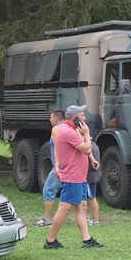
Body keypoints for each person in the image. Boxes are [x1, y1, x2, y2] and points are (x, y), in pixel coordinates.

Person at [44, 105, 103, 249]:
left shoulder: (71, 130)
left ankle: (87, 240)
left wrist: (92, 159)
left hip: (79, 176)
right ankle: (50, 241)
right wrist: (86, 133)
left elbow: (83, 149)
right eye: (82, 115)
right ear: (74, 117)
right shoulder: (67, 131)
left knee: (81, 207)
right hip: (72, 177)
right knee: (64, 208)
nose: (84, 118)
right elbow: (86, 147)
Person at [33, 109, 65, 227]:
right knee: (72, 190)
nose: (50, 120)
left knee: (48, 190)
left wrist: (57, 166)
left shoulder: (56, 129)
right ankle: (84, 217)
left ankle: (46, 220)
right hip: (68, 165)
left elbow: (57, 148)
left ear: (56, 118)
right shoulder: (68, 128)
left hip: (60, 165)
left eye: (51, 117)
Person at [86, 141, 101, 225]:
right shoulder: (93, 144)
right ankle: (90, 219)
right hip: (92, 174)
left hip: (90, 175)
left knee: (91, 197)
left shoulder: (88, 145)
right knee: (90, 197)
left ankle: (95, 220)